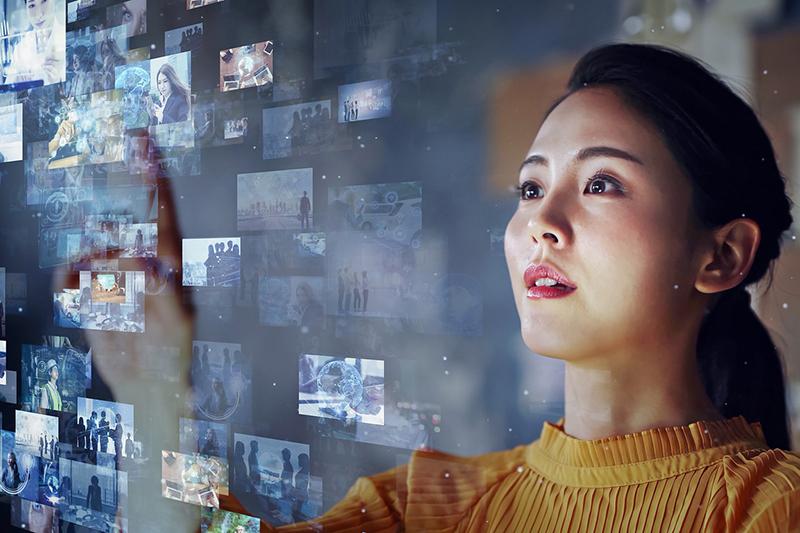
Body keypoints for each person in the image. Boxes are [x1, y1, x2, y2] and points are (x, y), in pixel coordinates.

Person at [238, 43, 800, 532]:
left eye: (601, 183)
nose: (541, 222)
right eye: (531, 189)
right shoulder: (421, 509)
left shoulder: (770, 508)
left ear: (721, 256)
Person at [3, 0, 66, 87]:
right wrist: (17, 84)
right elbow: (7, 94)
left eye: (44, 1)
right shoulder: (20, 49)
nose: (38, 14)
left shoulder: (67, 38)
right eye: (32, 5)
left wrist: (58, 82)